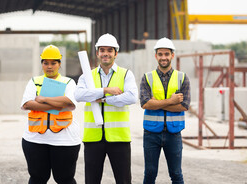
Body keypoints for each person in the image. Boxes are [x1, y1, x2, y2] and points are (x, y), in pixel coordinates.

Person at [75, 33, 138, 184]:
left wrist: (102, 99)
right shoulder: (87, 76)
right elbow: (78, 95)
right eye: (102, 50)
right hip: (93, 138)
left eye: (110, 50)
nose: (105, 53)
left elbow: (131, 97)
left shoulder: (126, 75)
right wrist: (106, 90)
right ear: (97, 53)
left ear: (116, 53)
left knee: (123, 181)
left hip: (119, 138)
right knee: (92, 181)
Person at [20, 45, 81, 184]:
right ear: (41, 64)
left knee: (65, 179)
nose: (49, 66)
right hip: (35, 139)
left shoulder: (68, 82)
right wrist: (58, 103)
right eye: (46, 63)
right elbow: (27, 104)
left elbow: (70, 103)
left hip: (64, 140)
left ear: (59, 64)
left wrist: (44, 99)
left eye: (53, 63)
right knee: (37, 179)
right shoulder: (34, 82)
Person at [139, 37, 191, 184]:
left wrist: (156, 102)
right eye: (160, 54)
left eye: (166, 54)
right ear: (156, 56)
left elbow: (184, 105)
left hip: (174, 133)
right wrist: (171, 101)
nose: (163, 57)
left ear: (172, 55)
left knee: (176, 174)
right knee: (150, 173)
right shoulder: (147, 78)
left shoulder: (182, 78)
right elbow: (144, 103)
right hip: (151, 133)